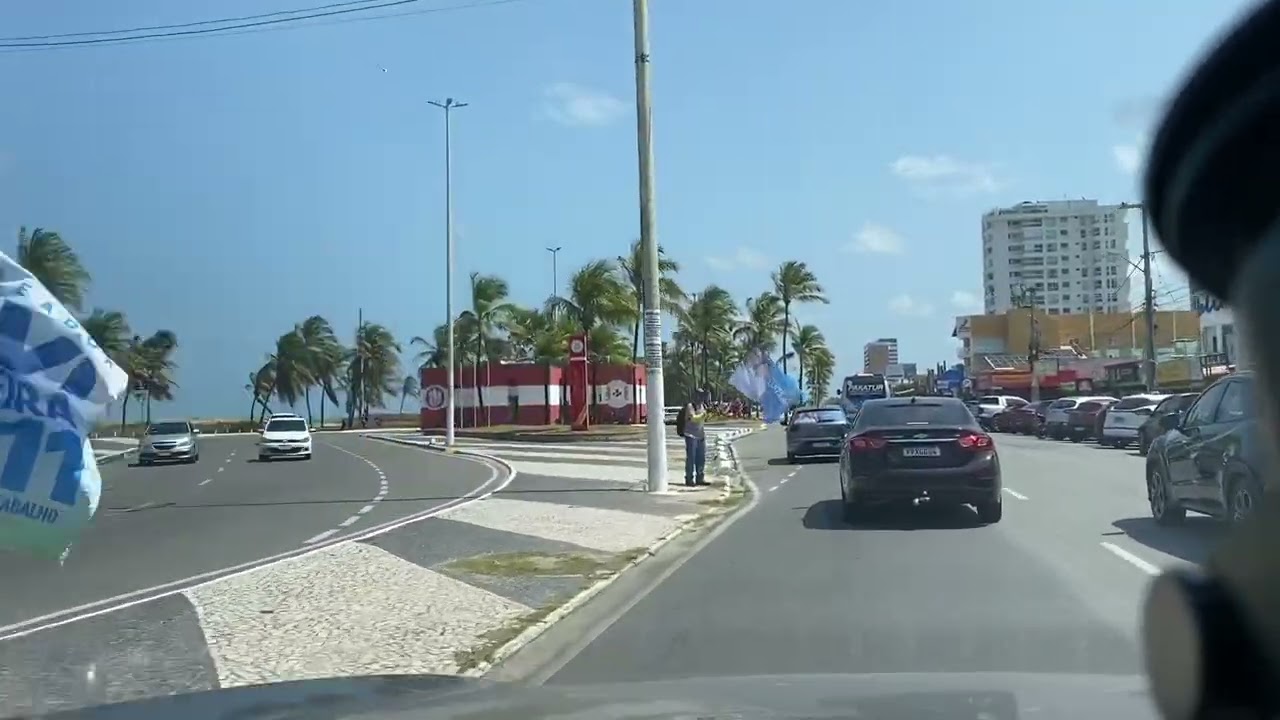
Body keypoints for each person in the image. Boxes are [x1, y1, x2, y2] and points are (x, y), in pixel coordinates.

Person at [674, 388, 709, 487]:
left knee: (701, 458)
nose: (701, 397)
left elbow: (704, 419)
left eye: (702, 395)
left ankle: (700, 478)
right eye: (699, 395)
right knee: (691, 458)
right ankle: (689, 479)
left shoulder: (702, 406)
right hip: (690, 435)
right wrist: (703, 415)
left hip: (700, 435)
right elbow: (693, 419)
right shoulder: (690, 406)